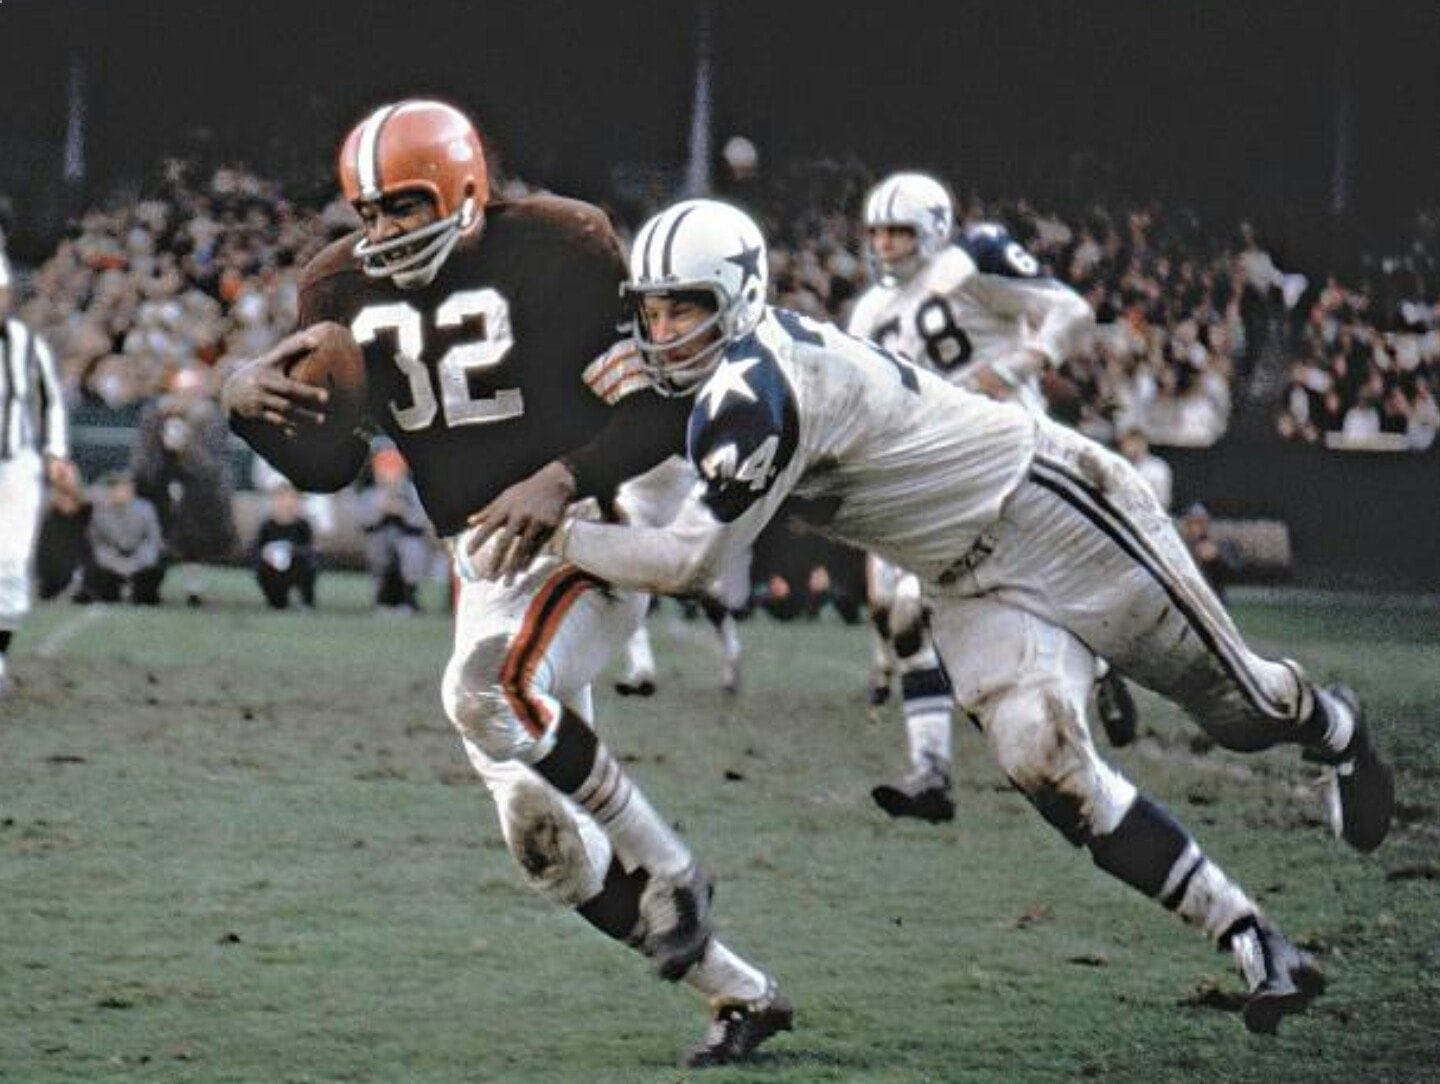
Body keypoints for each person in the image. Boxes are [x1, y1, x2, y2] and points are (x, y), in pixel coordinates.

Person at [530, 198, 1396, 1035]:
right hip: (960, 575)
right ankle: (1252, 936)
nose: (666, 328)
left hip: (1048, 510)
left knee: (1241, 715)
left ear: (742, 298)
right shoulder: (732, 372)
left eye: (688, 307)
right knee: (1043, 761)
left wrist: (562, 535)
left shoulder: (761, 386)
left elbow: (692, 560)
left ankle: (1335, 726)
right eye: (654, 309)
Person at [220, 99, 788, 1067]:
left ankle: (673, 864)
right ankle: (741, 993)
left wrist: (563, 478)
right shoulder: (336, 287)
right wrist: (247, 402)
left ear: (466, 189)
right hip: (483, 563)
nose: (385, 232)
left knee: (480, 690)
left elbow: (660, 411)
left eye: (406, 206)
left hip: (586, 535)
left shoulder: (560, 249)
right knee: (549, 853)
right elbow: (332, 465)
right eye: (369, 213)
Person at [846, 172, 1137, 815]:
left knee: (1048, 591)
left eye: (900, 231)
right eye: (879, 232)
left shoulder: (969, 262)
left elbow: (1070, 310)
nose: (887, 245)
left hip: (1006, 450)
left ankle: (1106, 666)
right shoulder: (870, 313)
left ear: (934, 230)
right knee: (899, 616)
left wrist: (1016, 365)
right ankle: (931, 772)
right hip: (926, 475)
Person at [0, 248, 78, 696]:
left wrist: (56, 454)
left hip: (15, 466)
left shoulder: (27, 345)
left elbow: (51, 403)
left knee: (9, 564)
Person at [132, 367, 239, 605]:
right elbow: (143, 463)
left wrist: (186, 446)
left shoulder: (210, 418)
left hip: (198, 493)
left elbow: (211, 467)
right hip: (159, 488)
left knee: (195, 527)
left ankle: (194, 586)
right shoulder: (154, 415)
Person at [355, 443, 431, 613]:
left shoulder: (413, 493)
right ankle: (383, 597)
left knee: (411, 552)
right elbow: (364, 523)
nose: (390, 476)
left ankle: (409, 596)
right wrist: (379, 511)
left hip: (409, 538)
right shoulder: (371, 494)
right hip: (379, 539)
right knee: (379, 550)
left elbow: (422, 522)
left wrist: (403, 511)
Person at [82, 470, 166, 605]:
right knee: (102, 588)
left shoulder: (146, 509)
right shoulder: (98, 512)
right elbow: (96, 542)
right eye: (119, 488)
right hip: (111, 558)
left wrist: (137, 562)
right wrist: (114, 562)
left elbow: (154, 541)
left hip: (140, 558)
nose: (124, 492)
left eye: (128, 488)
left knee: (152, 580)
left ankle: (141, 591)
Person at [253, 483, 319, 610]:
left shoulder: (302, 525)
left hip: (297, 566)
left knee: (308, 566)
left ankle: (306, 601)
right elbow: (256, 549)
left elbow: (310, 549)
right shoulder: (267, 526)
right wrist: (266, 553)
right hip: (273, 569)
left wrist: (291, 551)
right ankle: (276, 600)